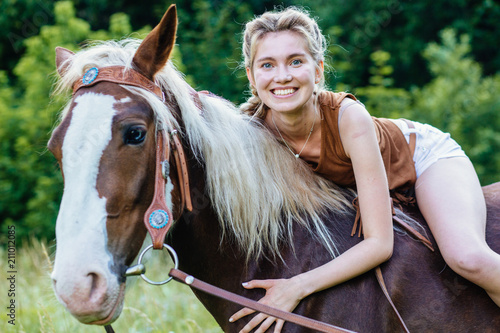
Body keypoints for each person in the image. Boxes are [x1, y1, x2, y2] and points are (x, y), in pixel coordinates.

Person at [228, 6, 500, 333]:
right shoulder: (254, 135)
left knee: (466, 257)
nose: (282, 76)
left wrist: (297, 286)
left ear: (318, 70)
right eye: (267, 65)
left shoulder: (348, 117)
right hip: (368, 180)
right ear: (251, 76)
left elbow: (380, 244)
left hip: (423, 159)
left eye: (296, 61)